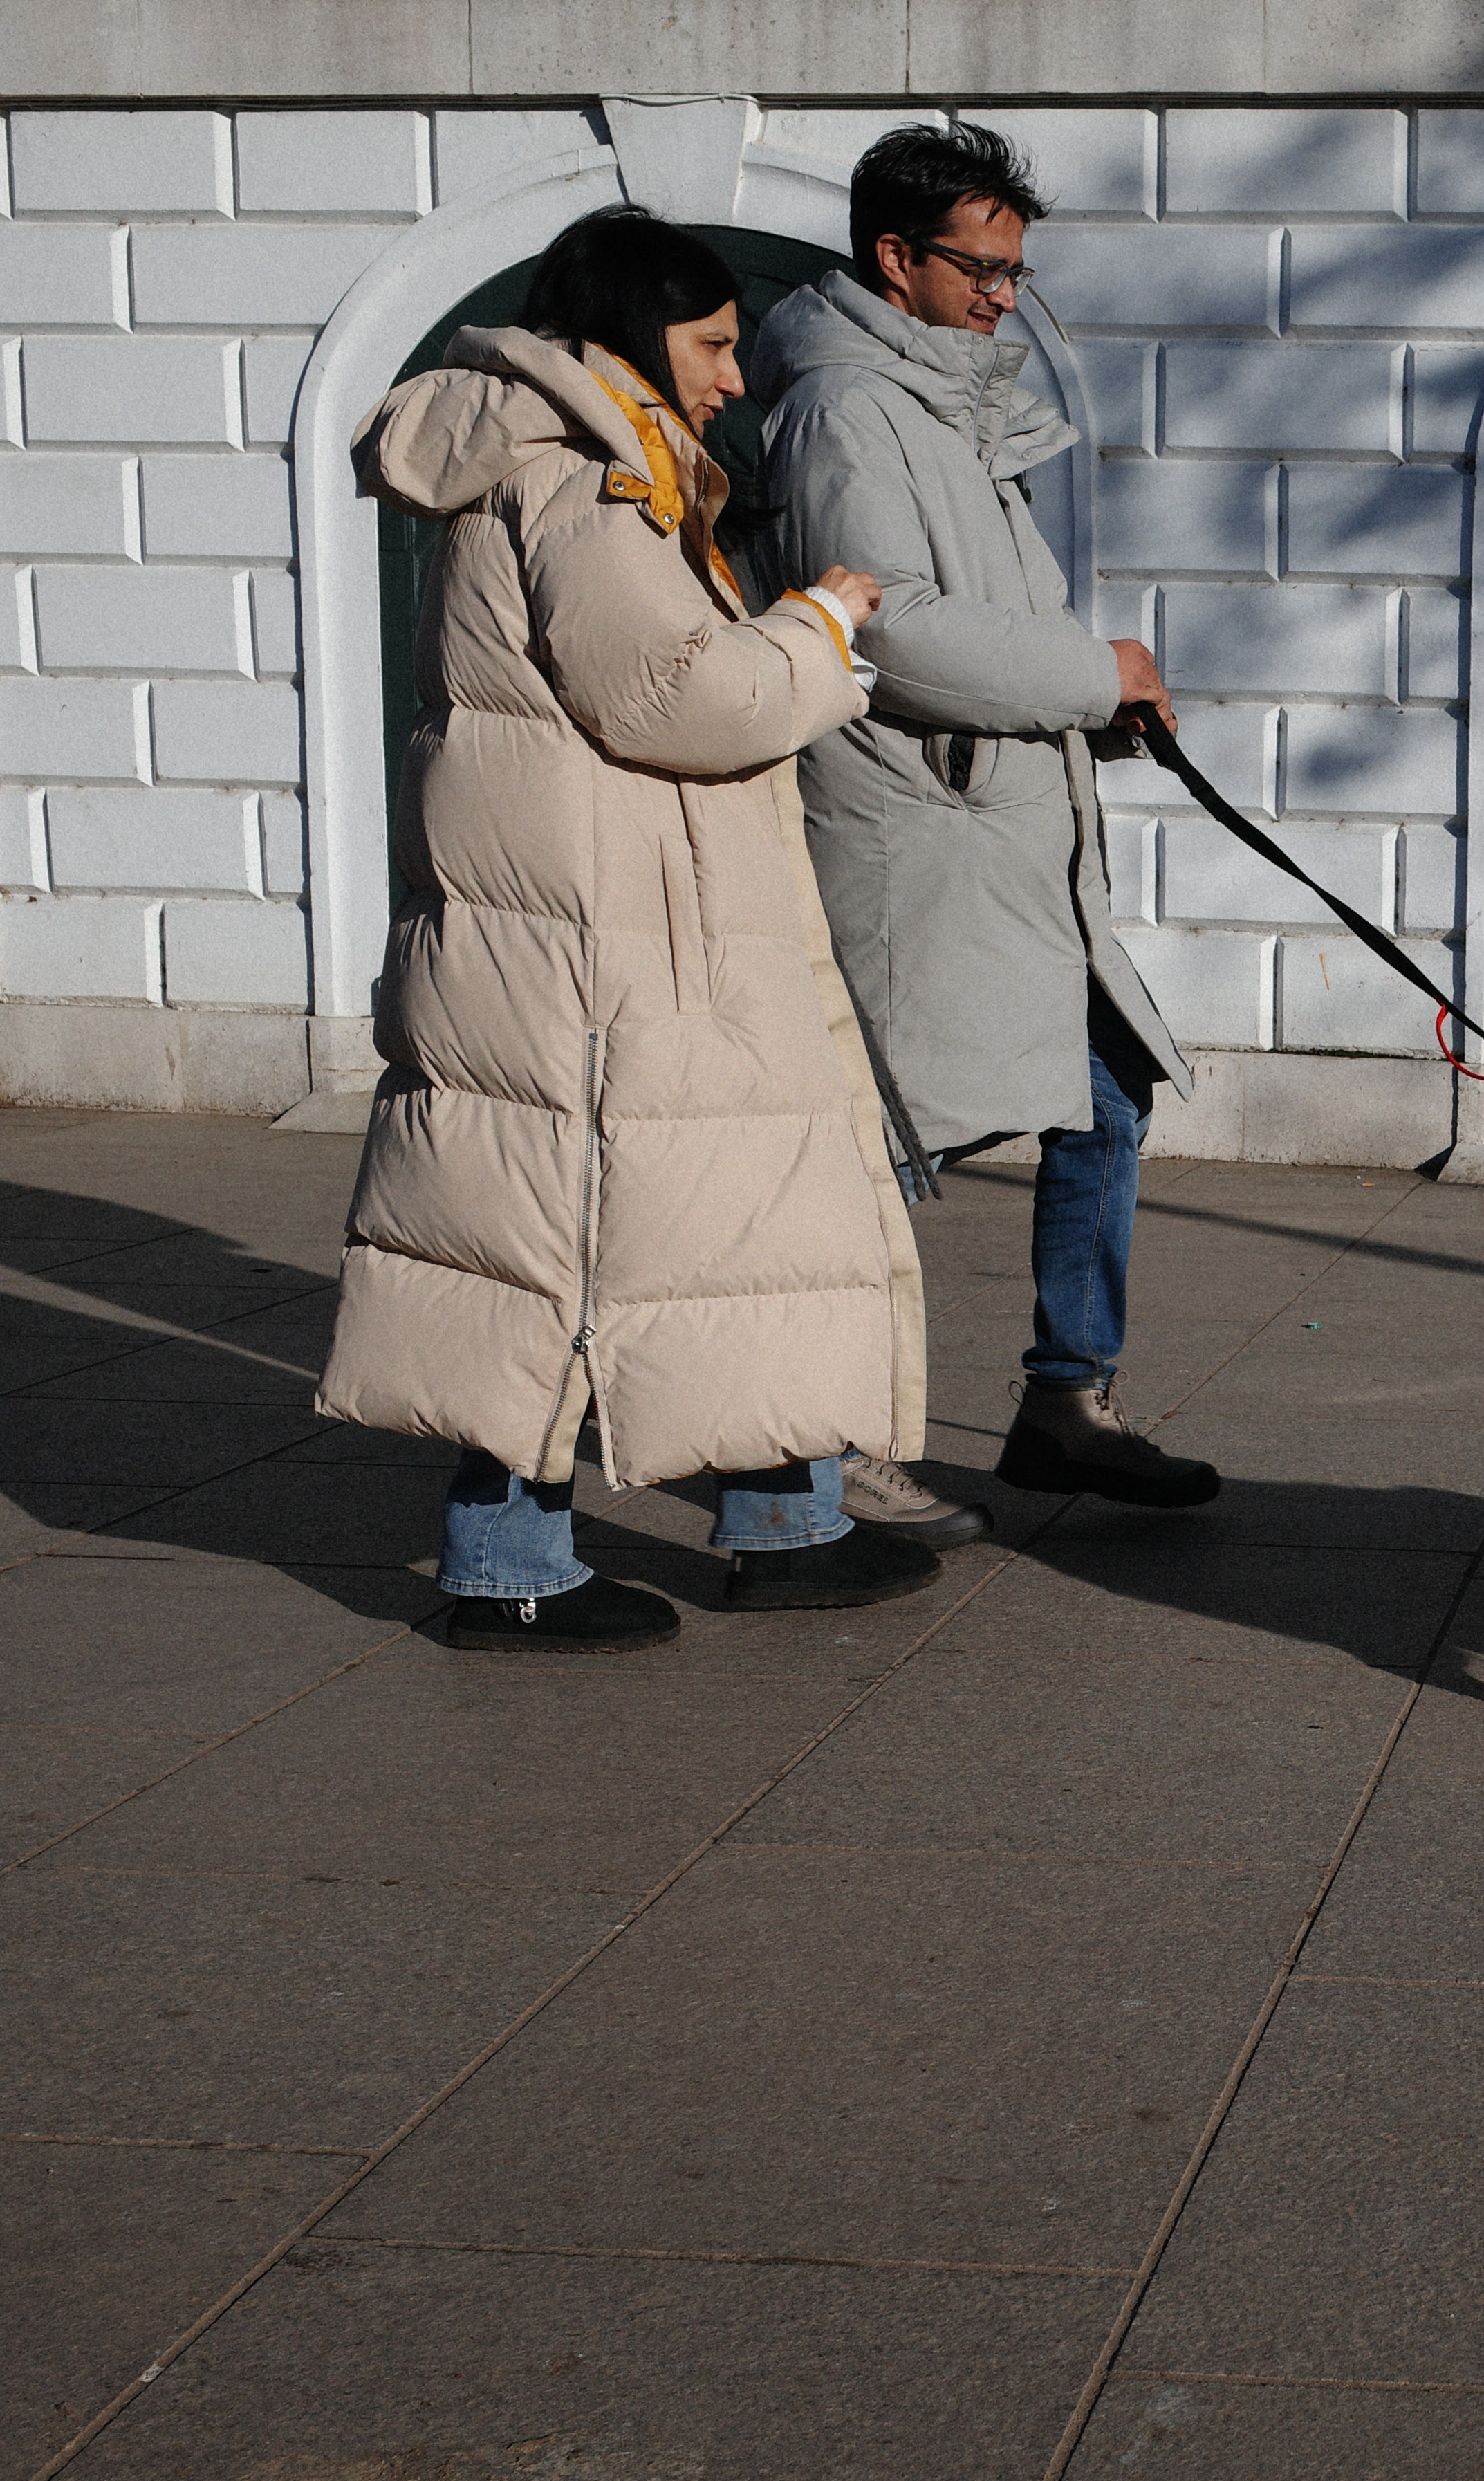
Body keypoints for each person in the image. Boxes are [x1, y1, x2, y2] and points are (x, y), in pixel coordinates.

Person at [322, 208, 942, 1657]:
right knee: (563, 1254)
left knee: (714, 1229)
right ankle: (505, 1568)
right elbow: (677, 698)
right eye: (713, 345)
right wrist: (818, 633)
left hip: (600, 931)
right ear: (627, 333)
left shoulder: (577, 462)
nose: (733, 376)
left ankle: (789, 1521)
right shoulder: (588, 480)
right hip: (606, 954)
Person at [752, 121, 1222, 1514]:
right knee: (890, 1136)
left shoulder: (936, 397)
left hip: (1003, 831)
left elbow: (974, 617)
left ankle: (1067, 1402)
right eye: (981, 267)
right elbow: (889, 630)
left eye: (1016, 269)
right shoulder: (846, 407)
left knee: (1103, 1095)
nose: (1005, 293)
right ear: (894, 258)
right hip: (921, 835)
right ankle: (830, 1444)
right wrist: (1093, 677)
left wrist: (1095, 712)